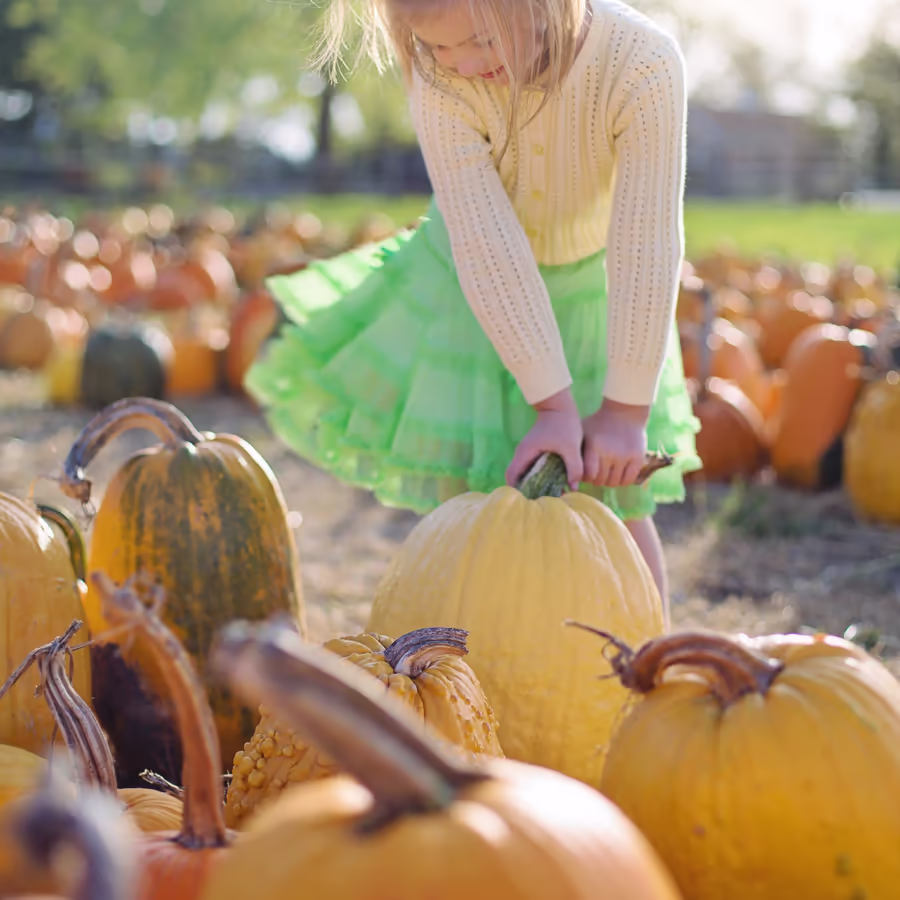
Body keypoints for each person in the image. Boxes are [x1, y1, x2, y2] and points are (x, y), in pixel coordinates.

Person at [245, 0, 702, 621]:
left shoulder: (641, 64)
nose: (460, 63)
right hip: (474, 283)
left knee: (612, 501)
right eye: (437, 48)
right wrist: (552, 405)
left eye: (482, 41)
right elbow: (487, 243)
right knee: (480, 485)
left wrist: (623, 411)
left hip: (593, 288)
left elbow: (645, 241)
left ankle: (649, 665)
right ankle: (469, 664)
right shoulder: (441, 79)